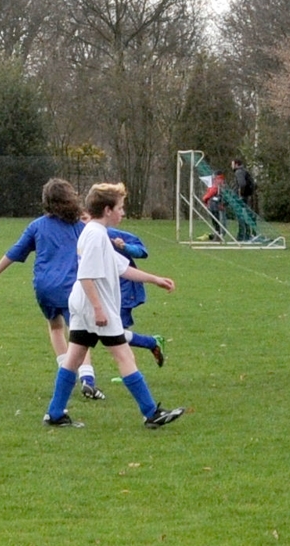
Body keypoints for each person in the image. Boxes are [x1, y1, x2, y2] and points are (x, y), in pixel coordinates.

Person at [42, 182, 184, 429]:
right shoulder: (96, 235)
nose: (123, 213)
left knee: (74, 357)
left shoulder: (95, 233)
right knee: (124, 355)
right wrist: (98, 309)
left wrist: (155, 279)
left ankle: (55, 413)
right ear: (107, 209)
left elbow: (120, 267)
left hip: (82, 303)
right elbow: (86, 275)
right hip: (93, 305)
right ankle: (151, 413)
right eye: (120, 207)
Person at [0, 178, 106, 400]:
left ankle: (63, 369)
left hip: (44, 287)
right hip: (72, 287)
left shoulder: (37, 225)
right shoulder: (81, 227)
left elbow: (14, 252)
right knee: (80, 334)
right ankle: (87, 378)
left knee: (56, 328)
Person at [107, 225, 166, 366]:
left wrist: (125, 246)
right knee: (113, 334)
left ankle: (130, 370)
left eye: (85, 218)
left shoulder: (109, 233)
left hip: (125, 289)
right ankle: (150, 344)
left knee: (116, 334)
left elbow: (142, 251)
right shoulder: (82, 235)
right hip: (106, 290)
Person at [231, 159, 256, 240]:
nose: (231, 166)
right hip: (245, 196)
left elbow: (242, 184)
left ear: (236, 164)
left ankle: (243, 235)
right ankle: (247, 234)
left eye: (232, 164)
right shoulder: (244, 171)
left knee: (241, 216)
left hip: (241, 198)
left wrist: (240, 195)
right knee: (246, 216)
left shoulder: (239, 172)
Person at [201, 170, 227, 240]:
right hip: (219, 204)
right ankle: (218, 234)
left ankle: (218, 235)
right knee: (219, 221)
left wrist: (205, 198)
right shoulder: (222, 181)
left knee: (217, 221)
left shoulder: (217, 181)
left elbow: (213, 191)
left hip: (215, 205)